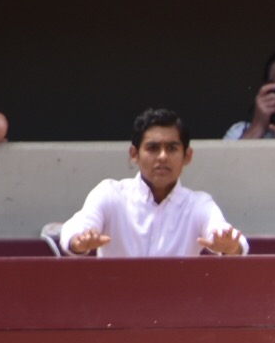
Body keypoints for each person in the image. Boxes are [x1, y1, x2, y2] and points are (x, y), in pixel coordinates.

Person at [59, 108, 246, 257]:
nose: (163, 157)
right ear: (134, 154)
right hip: (117, 302)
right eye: (153, 148)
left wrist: (230, 246)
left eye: (172, 148)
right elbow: (75, 229)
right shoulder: (110, 194)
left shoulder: (198, 204)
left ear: (187, 156)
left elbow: (228, 236)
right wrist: (79, 240)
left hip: (178, 303)